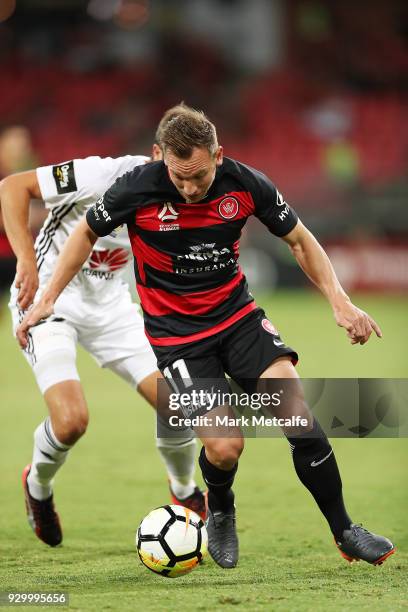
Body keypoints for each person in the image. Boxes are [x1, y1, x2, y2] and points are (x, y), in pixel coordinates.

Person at [15, 106, 395, 568]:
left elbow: (299, 239)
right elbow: (85, 233)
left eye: (199, 176)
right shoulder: (138, 185)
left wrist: (340, 300)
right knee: (224, 445)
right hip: (179, 339)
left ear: (219, 155)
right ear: (163, 162)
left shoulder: (247, 183)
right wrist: (50, 293)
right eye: (179, 179)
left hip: (238, 318)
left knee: (298, 417)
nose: (190, 189)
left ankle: (345, 530)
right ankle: (220, 510)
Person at [0, 105, 207, 548]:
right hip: (48, 301)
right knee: (72, 421)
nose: (184, 183)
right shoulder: (101, 176)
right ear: (156, 154)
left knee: (178, 408)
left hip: (113, 307)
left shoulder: (192, 193)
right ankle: (37, 487)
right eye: (174, 168)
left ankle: (186, 491)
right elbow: (14, 186)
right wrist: (25, 262)